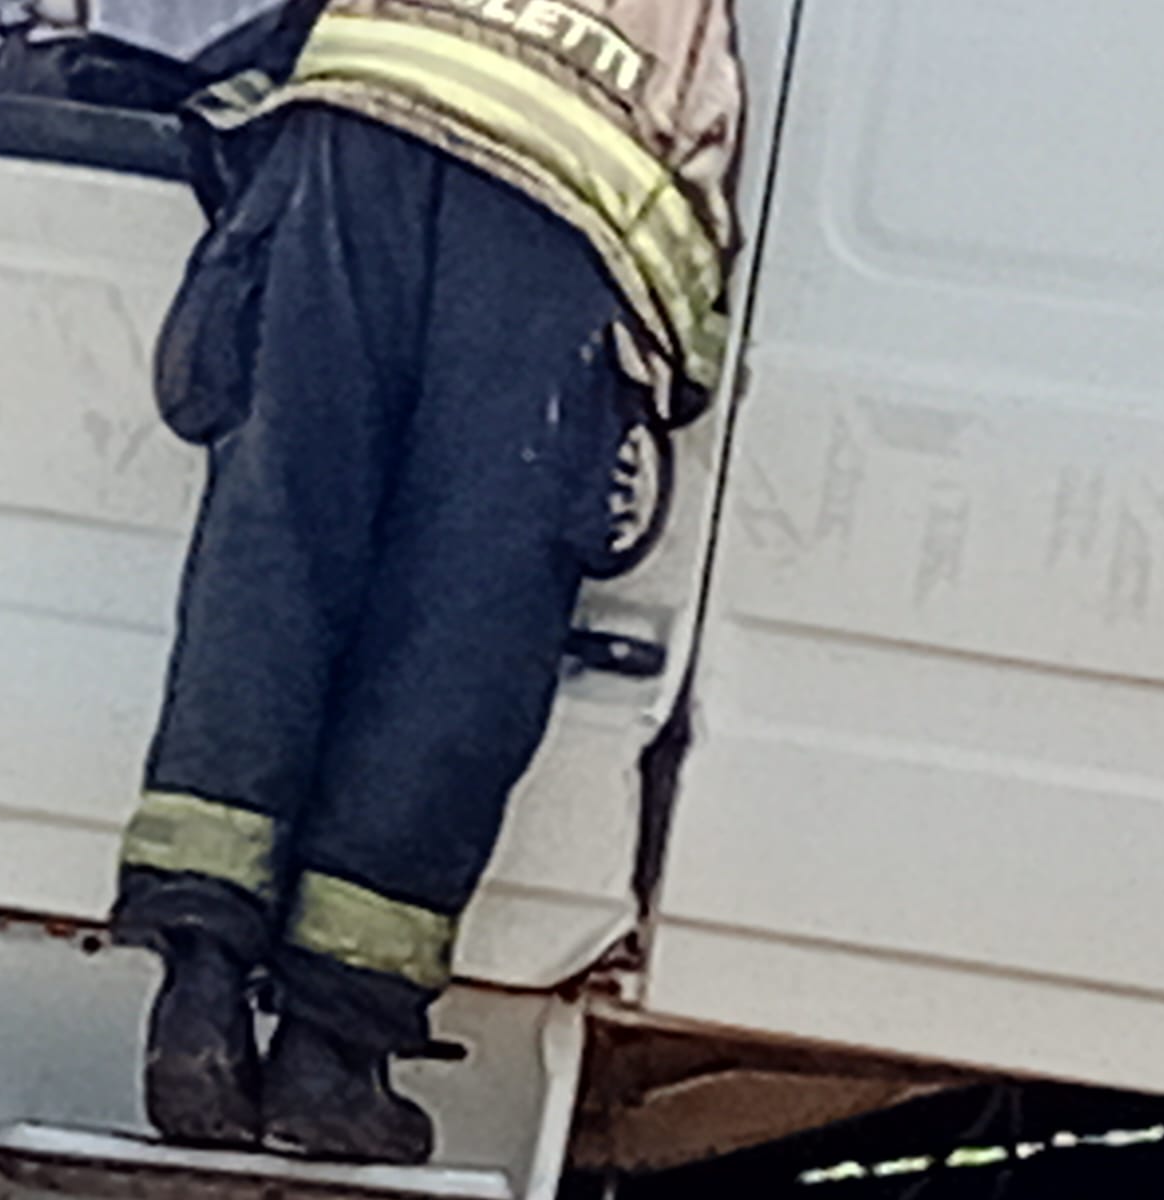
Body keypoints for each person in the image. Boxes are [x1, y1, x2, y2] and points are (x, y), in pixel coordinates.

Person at [110, 0, 745, 1165]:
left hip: (361, 118)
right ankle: (330, 1054)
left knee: (274, 562)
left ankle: (196, 997)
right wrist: (674, 362)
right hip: (564, 201)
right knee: (461, 634)